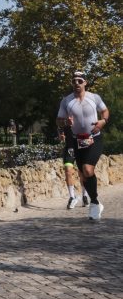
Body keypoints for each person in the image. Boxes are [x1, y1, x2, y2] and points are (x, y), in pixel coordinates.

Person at [57, 71, 109, 221]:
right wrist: (65, 122)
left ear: (85, 83)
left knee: (87, 169)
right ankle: (95, 202)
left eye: (80, 81)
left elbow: (105, 111)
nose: (77, 83)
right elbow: (58, 120)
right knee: (84, 174)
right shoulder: (66, 101)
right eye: (74, 81)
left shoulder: (94, 97)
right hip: (77, 141)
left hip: (94, 139)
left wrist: (103, 121)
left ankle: (94, 202)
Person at [59, 122, 89, 211]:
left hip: (82, 145)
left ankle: (84, 196)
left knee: (82, 172)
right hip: (70, 148)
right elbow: (60, 129)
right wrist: (61, 136)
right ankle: (72, 197)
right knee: (68, 170)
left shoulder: (81, 117)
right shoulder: (65, 118)